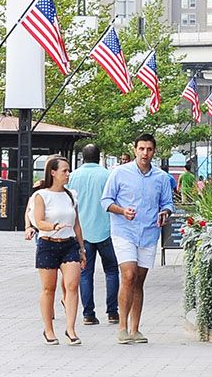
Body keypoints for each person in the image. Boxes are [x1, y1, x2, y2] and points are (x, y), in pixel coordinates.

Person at [102, 133, 175, 344]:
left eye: (149, 149)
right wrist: (122, 210)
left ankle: (135, 328)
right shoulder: (119, 173)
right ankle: (122, 327)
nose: (145, 153)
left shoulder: (161, 177)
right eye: (141, 149)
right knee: (129, 274)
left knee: (139, 280)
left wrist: (165, 213)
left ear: (154, 151)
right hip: (124, 231)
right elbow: (106, 200)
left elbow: (167, 204)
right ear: (135, 149)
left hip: (149, 233)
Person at [26, 155, 82, 346]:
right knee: (49, 288)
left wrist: (82, 248)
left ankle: (71, 328)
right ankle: (48, 329)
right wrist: (52, 226)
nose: (68, 174)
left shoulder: (71, 195)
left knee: (72, 285)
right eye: (64, 170)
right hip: (48, 243)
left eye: (68, 170)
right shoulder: (41, 195)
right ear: (53, 172)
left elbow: (76, 223)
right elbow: (38, 220)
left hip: (69, 244)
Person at [67, 143, 118, 325]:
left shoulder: (72, 176)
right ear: (99, 156)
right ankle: (112, 312)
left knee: (85, 273)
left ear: (83, 157)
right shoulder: (107, 175)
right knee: (111, 271)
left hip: (82, 232)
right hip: (106, 229)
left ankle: (88, 314)